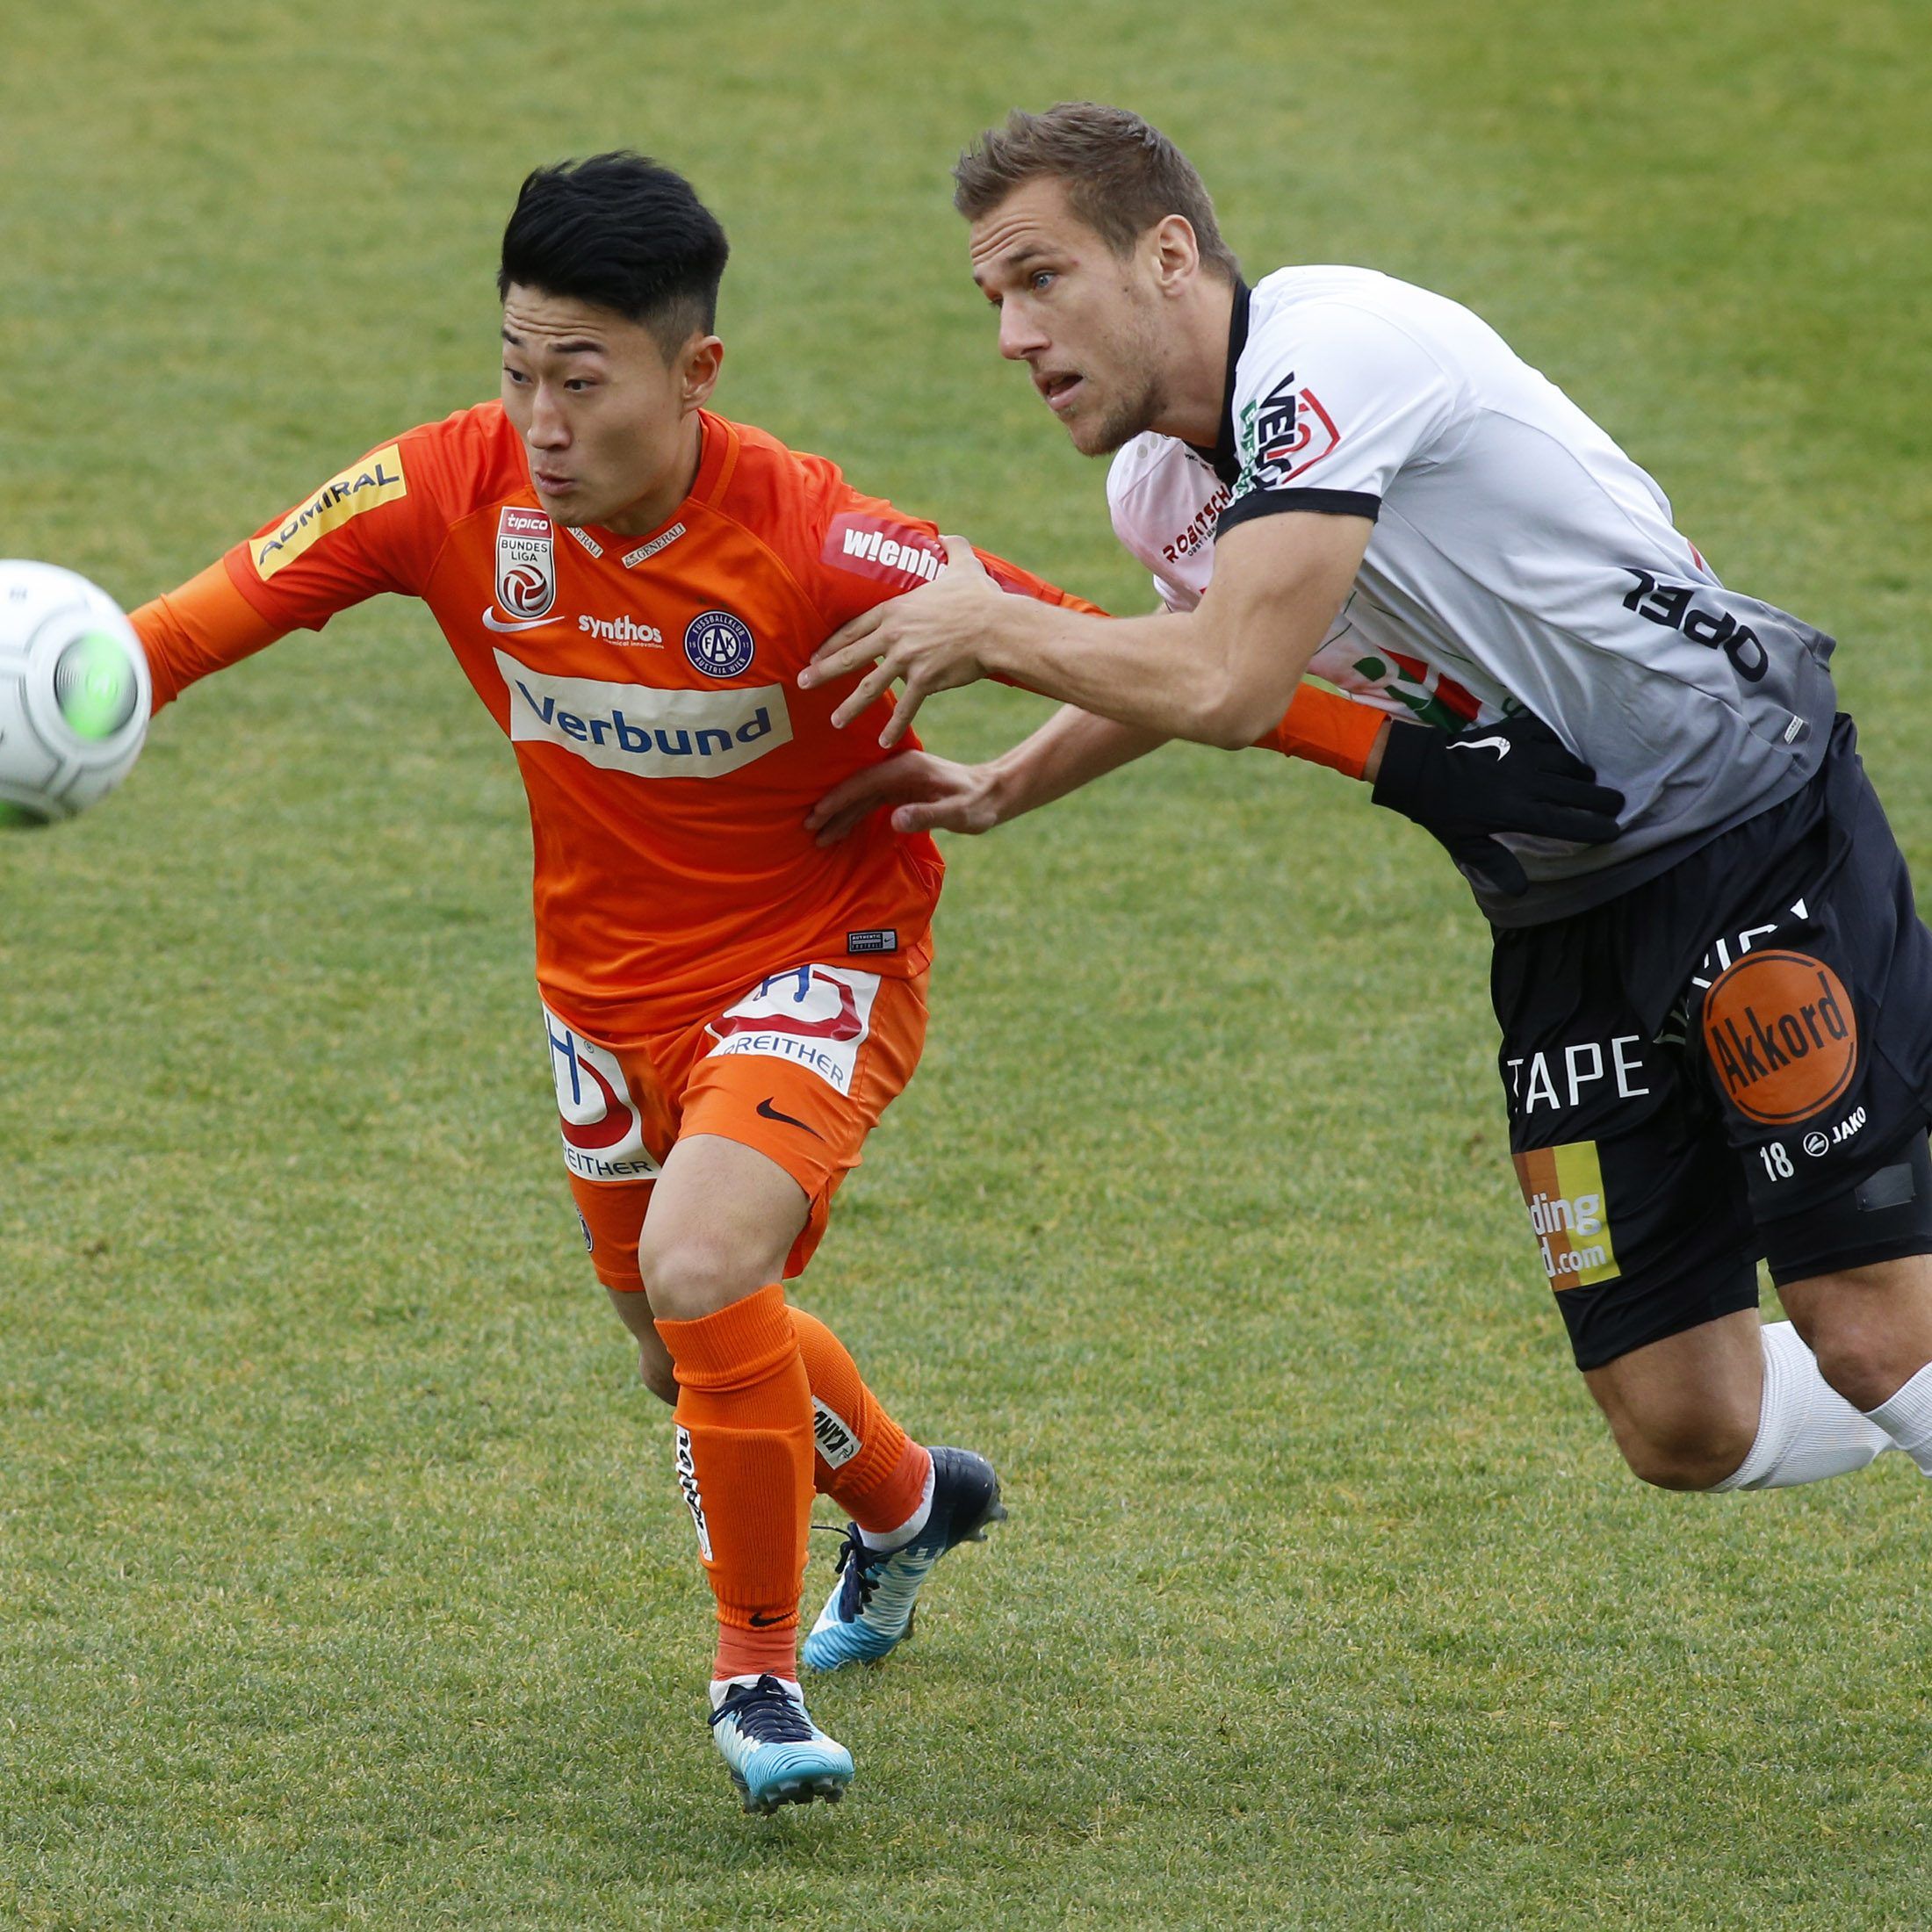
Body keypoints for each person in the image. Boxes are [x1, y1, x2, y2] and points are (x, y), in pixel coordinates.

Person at [120, 151, 1590, 1813]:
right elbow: (189, 626)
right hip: (599, 995)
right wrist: (78, 686)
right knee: (682, 1353)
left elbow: (1161, 662)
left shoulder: (824, 541)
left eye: (582, 381)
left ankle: (752, 1675)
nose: (539, 421)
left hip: (823, 954)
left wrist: (1426, 769)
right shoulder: (440, 491)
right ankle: (902, 1500)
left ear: (696, 374)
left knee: (699, 1261)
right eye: (517, 372)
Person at [804, 102, 1932, 1506]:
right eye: (993, 299)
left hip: (1750, 820)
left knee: (1872, 1330)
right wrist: (1000, 783)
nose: (1013, 337)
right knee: (1683, 1420)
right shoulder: (1161, 485)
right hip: (1563, 909)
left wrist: (989, 625)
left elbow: (1228, 681)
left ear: (1167, 254)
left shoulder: (1330, 350)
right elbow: (1188, 641)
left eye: (1042, 281)